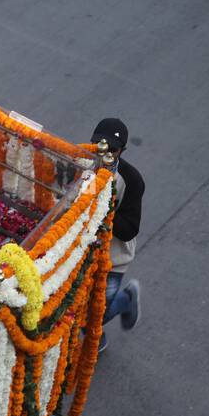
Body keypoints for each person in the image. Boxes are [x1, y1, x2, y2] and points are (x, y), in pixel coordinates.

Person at [92, 118, 145, 353]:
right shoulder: (82, 161)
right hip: (82, 251)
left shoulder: (132, 180)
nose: (104, 154)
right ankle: (94, 333)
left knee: (98, 312)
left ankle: (125, 301)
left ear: (122, 150)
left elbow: (130, 228)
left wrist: (102, 212)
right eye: (99, 146)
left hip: (113, 259)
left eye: (112, 150)